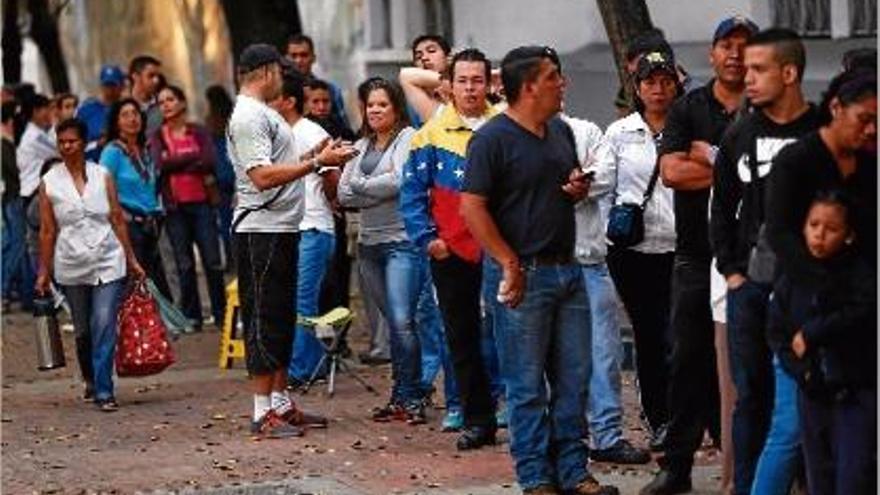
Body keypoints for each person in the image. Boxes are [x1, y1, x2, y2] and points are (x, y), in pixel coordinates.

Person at [461, 45, 617, 495]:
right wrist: (508, 261)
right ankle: (535, 476)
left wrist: (571, 189)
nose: (561, 83)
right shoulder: (491, 139)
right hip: (522, 277)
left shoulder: (560, 132)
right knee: (526, 384)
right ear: (528, 87)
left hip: (568, 270)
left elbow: (553, 188)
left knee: (573, 379)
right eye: (552, 76)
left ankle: (573, 470)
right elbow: (473, 207)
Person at [643, 16, 758, 495]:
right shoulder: (690, 108)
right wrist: (743, 169)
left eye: (744, 46)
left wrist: (712, 161)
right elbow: (671, 172)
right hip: (697, 254)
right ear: (711, 54)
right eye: (725, 46)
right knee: (687, 359)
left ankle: (765, 465)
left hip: (756, 255)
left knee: (758, 362)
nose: (734, 54)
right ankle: (678, 464)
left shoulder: (767, 105)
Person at [710, 28, 821, 495]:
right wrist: (732, 272)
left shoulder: (820, 133)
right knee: (750, 397)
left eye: (759, 69)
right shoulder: (741, 131)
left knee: (805, 396)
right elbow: (722, 205)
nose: (746, 78)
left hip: (805, 290)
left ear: (790, 73)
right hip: (750, 289)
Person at [227, 43, 352, 439]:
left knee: (281, 318)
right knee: (264, 319)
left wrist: (319, 153)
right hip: (259, 230)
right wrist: (316, 163)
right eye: (279, 71)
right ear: (265, 71)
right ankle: (262, 411)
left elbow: (281, 164)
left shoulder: (264, 114)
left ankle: (280, 401)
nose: (284, 79)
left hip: (281, 228)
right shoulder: (248, 116)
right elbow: (261, 176)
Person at [400, 48, 501, 449]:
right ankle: (479, 420)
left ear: (489, 83)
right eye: (463, 80)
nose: (471, 88)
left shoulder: (507, 127)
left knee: (512, 336)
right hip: (452, 252)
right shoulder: (430, 134)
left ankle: (525, 412)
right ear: (448, 86)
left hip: (501, 251)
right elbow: (411, 194)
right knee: (462, 337)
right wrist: (429, 240)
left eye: (478, 80)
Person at [596, 51, 680, 462]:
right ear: (637, 87)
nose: (658, 89)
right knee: (650, 334)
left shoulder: (691, 126)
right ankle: (660, 418)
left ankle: (689, 413)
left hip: (685, 248)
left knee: (683, 335)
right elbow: (604, 186)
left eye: (665, 80)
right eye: (650, 82)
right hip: (635, 251)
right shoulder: (619, 133)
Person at [766, 191, 876, 495]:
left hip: (855, 390)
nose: (820, 235)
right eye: (813, 225)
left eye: (831, 229)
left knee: (854, 474)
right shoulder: (794, 272)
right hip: (811, 391)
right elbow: (778, 330)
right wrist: (802, 370)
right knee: (819, 476)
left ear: (849, 234)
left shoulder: (859, 273)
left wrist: (814, 332)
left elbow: (861, 312)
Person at [338, 77, 432, 424]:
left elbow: (401, 181)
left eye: (382, 104)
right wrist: (369, 188)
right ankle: (401, 395)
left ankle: (415, 396)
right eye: (370, 105)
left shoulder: (408, 138)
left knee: (404, 322)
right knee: (394, 325)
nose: (375, 110)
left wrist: (362, 185)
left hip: (402, 243)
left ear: (396, 108)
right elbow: (344, 196)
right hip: (369, 245)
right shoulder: (360, 145)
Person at [35, 118, 145, 411]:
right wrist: (43, 272)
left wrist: (131, 259)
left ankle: (105, 390)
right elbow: (47, 230)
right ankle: (91, 378)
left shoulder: (102, 175)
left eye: (72, 141)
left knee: (104, 321)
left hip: (108, 258)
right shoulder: (49, 183)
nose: (67, 146)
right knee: (83, 330)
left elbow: (117, 219)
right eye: (62, 142)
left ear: (83, 143)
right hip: (71, 263)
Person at [563, 110, 650, 466]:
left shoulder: (587, 130)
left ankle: (607, 434)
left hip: (589, 258)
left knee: (604, 351)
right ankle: (561, 439)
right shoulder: (511, 133)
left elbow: (602, 179)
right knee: (543, 360)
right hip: (537, 264)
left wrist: (574, 187)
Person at [266, 70, 336, 388]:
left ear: (290, 101)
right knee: (291, 299)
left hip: (313, 226)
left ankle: (301, 369)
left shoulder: (311, 132)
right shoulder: (275, 134)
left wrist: (329, 198)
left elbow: (332, 178)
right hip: (289, 228)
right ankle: (305, 365)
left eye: (274, 96)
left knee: (303, 301)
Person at [149, 84, 226, 330]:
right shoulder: (158, 136)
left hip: (203, 204)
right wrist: (191, 161)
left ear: (182, 102)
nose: (166, 105)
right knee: (184, 264)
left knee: (213, 261)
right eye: (161, 102)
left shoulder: (198, 131)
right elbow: (160, 164)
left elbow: (209, 159)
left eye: (170, 99)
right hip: (175, 209)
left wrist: (177, 163)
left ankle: (221, 313)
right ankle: (193, 317)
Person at [100, 99, 172, 300]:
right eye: (125, 114)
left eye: (135, 113)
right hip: (127, 225)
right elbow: (102, 190)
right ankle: (134, 328)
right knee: (135, 280)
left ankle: (156, 327)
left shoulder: (145, 149)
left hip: (151, 223)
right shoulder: (112, 152)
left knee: (155, 279)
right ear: (116, 122)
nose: (132, 119)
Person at [2, 100, 34, 308]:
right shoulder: (4, 144)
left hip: (12, 199)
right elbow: (15, 171)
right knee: (17, 245)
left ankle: (24, 292)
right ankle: (3, 289)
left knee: (11, 245)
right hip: (13, 199)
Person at [285, 34, 350, 131]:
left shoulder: (331, 90)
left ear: (313, 58)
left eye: (304, 55)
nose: (298, 60)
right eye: (293, 56)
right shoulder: (278, 93)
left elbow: (343, 129)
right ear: (287, 58)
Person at [204, 84, 237, 259]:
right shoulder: (233, 117)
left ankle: (232, 258)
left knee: (226, 223)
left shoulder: (212, 123)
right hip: (232, 175)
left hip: (223, 176)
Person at [399, 34, 452, 125]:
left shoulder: (467, 89)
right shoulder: (413, 100)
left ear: (448, 58)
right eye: (418, 57)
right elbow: (405, 74)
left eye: (431, 51)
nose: (424, 58)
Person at [77, 64, 126, 162]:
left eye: (113, 85)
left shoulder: (126, 109)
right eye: (106, 85)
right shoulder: (86, 109)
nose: (109, 90)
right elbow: (77, 143)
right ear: (101, 85)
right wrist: (98, 144)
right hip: (94, 164)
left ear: (121, 86)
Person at [128, 55, 163, 136]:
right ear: (136, 77)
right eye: (151, 76)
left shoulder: (163, 106)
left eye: (158, 76)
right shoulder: (121, 107)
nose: (156, 80)